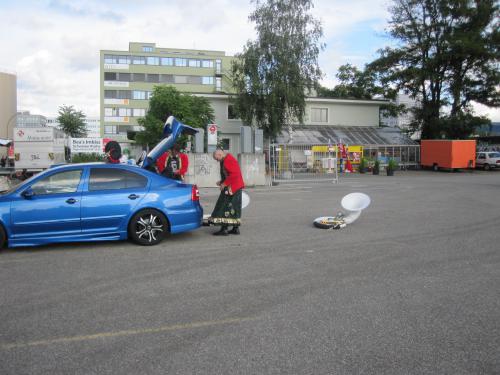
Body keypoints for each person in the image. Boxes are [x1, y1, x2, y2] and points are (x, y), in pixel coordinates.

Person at [209, 149, 245, 236]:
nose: (217, 160)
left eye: (216, 158)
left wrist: (224, 183)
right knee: (234, 208)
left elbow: (234, 174)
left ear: (220, 154)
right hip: (235, 187)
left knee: (224, 207)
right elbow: (228, 174)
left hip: (232, 188)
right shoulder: (225, 159)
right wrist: (222, 181)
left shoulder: (228, 160)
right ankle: (235, 228)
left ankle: (224, 229)